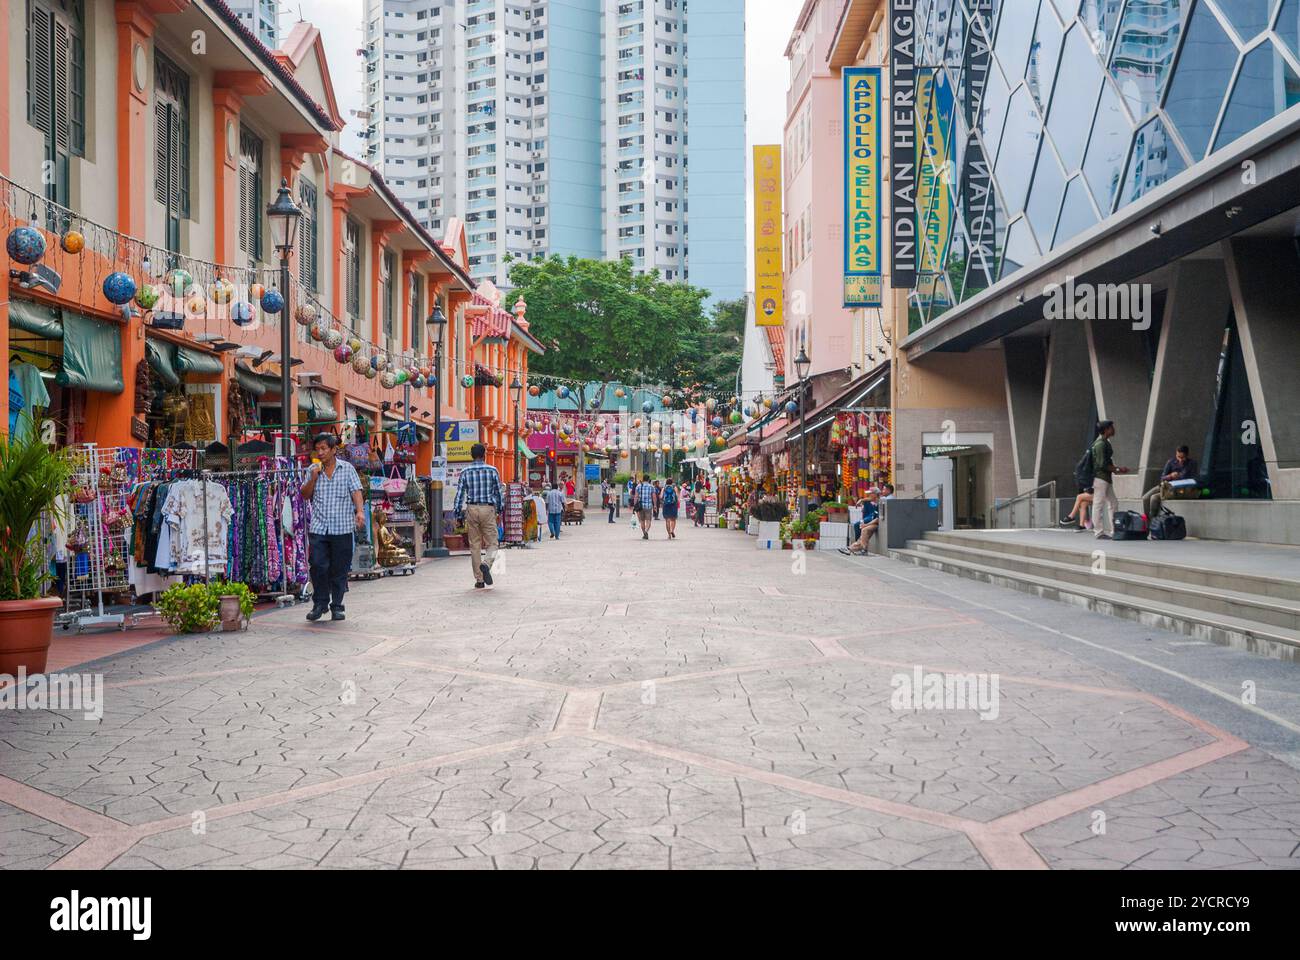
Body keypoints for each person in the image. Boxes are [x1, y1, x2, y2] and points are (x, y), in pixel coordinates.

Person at [300, 433, 365, 622]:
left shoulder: (347, 469)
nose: (320, 453)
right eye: (317, 449)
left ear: (333, 450)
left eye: (324, 449)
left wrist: (359, 511)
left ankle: (337, 605)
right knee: (318, 565)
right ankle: (320, 604)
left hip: (342, 528)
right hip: (319, 528)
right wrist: (312, 478)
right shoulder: (313, 469)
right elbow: (304, 494)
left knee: (339, 569)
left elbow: (356, 491)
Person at [453, 442, 504, 589]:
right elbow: (499, 492)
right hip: (487, 509)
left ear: (472, 455)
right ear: (484, 455)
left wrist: (458, 513)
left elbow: (460, 494)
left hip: (471, 508)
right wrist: (499, 509)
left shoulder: (465, 472)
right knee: (493, 543)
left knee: (475, 545)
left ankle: (479, 580)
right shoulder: (492, 470)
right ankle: (486, 563)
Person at [1090, 421, 1130, 541]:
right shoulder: (1100, 444)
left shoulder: (1105, 442)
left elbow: (1106, 462)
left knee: (1113, 503)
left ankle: (1115, 529)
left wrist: (1116, 469)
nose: (1114, 429)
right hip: (1100, 478)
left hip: (1105, 478)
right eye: (1112, 427)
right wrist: (1118, 469)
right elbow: (1102, 464)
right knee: (1098, 504)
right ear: (1106, 429)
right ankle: (1098, 532)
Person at [1143, 445, 1197, 518]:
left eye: (1183, 457)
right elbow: (1162, 477)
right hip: (1166, 485)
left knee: (1154, 498)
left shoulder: (1192, 463)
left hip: (1178, 489)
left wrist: (1180, 476)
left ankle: (1153, 519)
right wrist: (1170, 476)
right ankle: (1147, 519)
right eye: (1178, 457)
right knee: (1145, 498)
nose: (1180, 460)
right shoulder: (1171, 462)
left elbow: (1193, 479)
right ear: (1176, 454)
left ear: (1187, 455)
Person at [634, 473, 656, 540]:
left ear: (643, 479)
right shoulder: (651, 486)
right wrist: (655, 505)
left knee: (642, 520)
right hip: (648, 506)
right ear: (648, 479)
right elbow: (654, 497)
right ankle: (646, 531)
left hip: (640, 506)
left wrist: (635, 505)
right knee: (648, 520)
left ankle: (644, 533)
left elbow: (636, 497)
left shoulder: (638, 486)